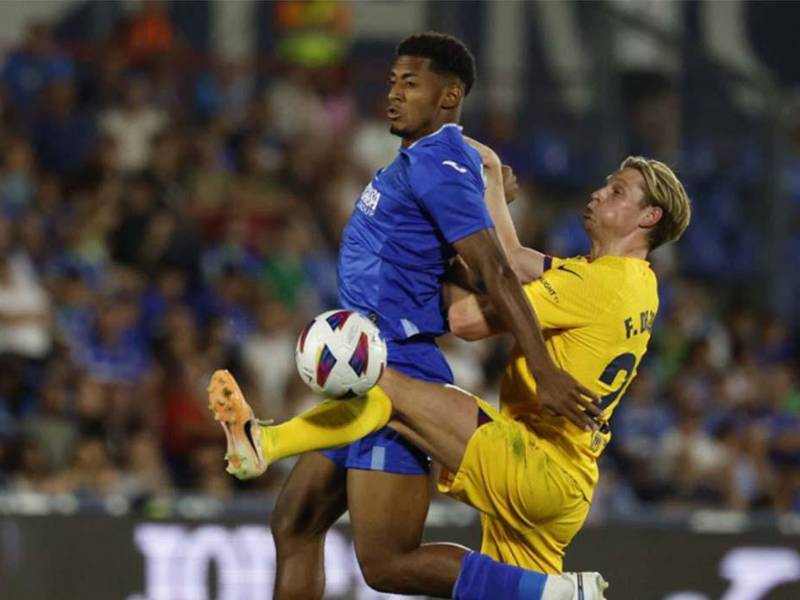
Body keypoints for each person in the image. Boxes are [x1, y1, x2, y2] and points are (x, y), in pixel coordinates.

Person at [213, 32, 601, 600]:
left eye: (410, 84)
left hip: (398, 370)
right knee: (294, 521)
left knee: (387, 562)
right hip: (366, 369)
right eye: (393, 81)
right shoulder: (429, 161)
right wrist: (492, 188)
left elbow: (494, 272)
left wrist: (541, 368)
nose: (393, 94)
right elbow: (450, 260)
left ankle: (554, 595)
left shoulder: (439, 165)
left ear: (448, 97)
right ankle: (263, 442)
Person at [209, 150, 690, 598]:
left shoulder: (597, 284)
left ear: (649, 218)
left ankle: (266, 443)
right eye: (606, 185)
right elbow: (515, 260)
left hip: (535, 465)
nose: (598, 193)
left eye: (617, 192)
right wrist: (491, 179)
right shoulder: (631, 281)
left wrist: (425, 253)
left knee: (378, 380)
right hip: (563, 485)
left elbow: (466, 321)